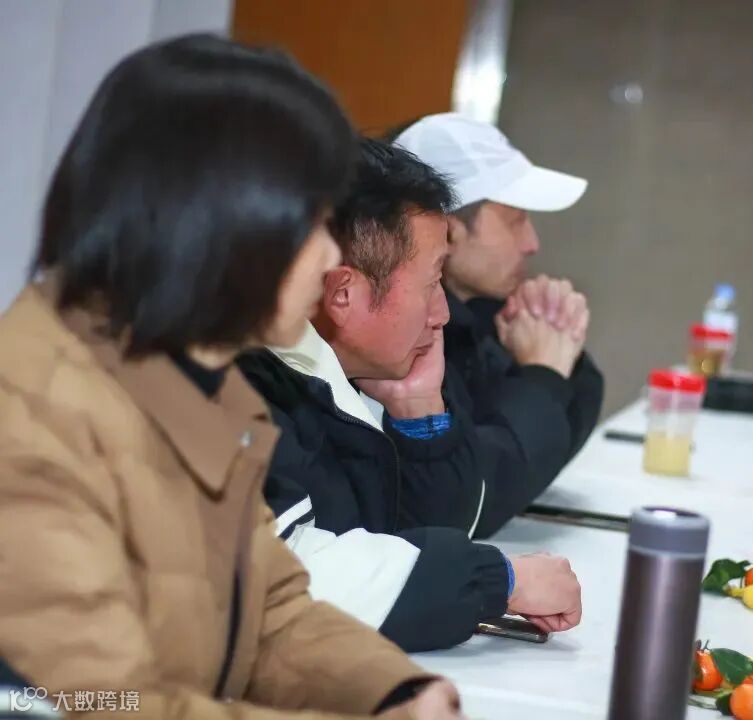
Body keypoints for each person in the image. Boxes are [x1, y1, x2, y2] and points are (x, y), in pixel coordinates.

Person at [0, 35, 460, 719]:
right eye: (314, 224)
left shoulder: (201, 382)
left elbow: (269, 612)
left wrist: (395, 691)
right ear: (223, 222)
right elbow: (101, 705)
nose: (330, 257)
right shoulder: (32, 419)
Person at [238, 137, 582, 652]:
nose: (441, 313)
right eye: (432, 281)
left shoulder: (342, 374)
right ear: (342, 293)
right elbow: (283, 578)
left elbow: (410, 535)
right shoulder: (240, 384)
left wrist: (419, 412)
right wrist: (499, 579)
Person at [391, 113, 604, 499]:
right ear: (448, 231)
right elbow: (475, 495)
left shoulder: (483, 316)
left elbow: (535, 465)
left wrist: (557, 337)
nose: (532, 243)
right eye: (515, 220)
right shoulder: (402, 338)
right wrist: (544, 375)